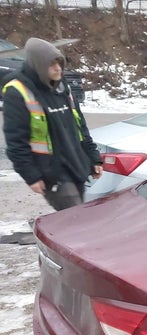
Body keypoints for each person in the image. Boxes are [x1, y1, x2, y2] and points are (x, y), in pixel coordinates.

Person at [2, 37, 102, 211]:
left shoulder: (62, 86)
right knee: (76, 219)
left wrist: (93, 157)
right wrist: (30, 176)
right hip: (51, 172)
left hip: (76, 165)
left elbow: (80, 126)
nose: (58, 69)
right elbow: (16, 142)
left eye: (60, 63)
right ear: (38, 65)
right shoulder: (18, 92)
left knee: (78, 220)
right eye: (52, 65)